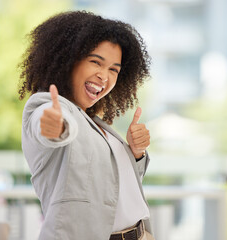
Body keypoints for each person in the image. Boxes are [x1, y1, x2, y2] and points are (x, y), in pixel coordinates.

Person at [18, 11, 154, 240]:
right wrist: (56, 128)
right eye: (95, 62)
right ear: (68, 60)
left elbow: (112, 187)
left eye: (114, 69)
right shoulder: (46, 107)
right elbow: (49, 126)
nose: (104, 76)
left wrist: (136, 153)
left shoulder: (95, 124)